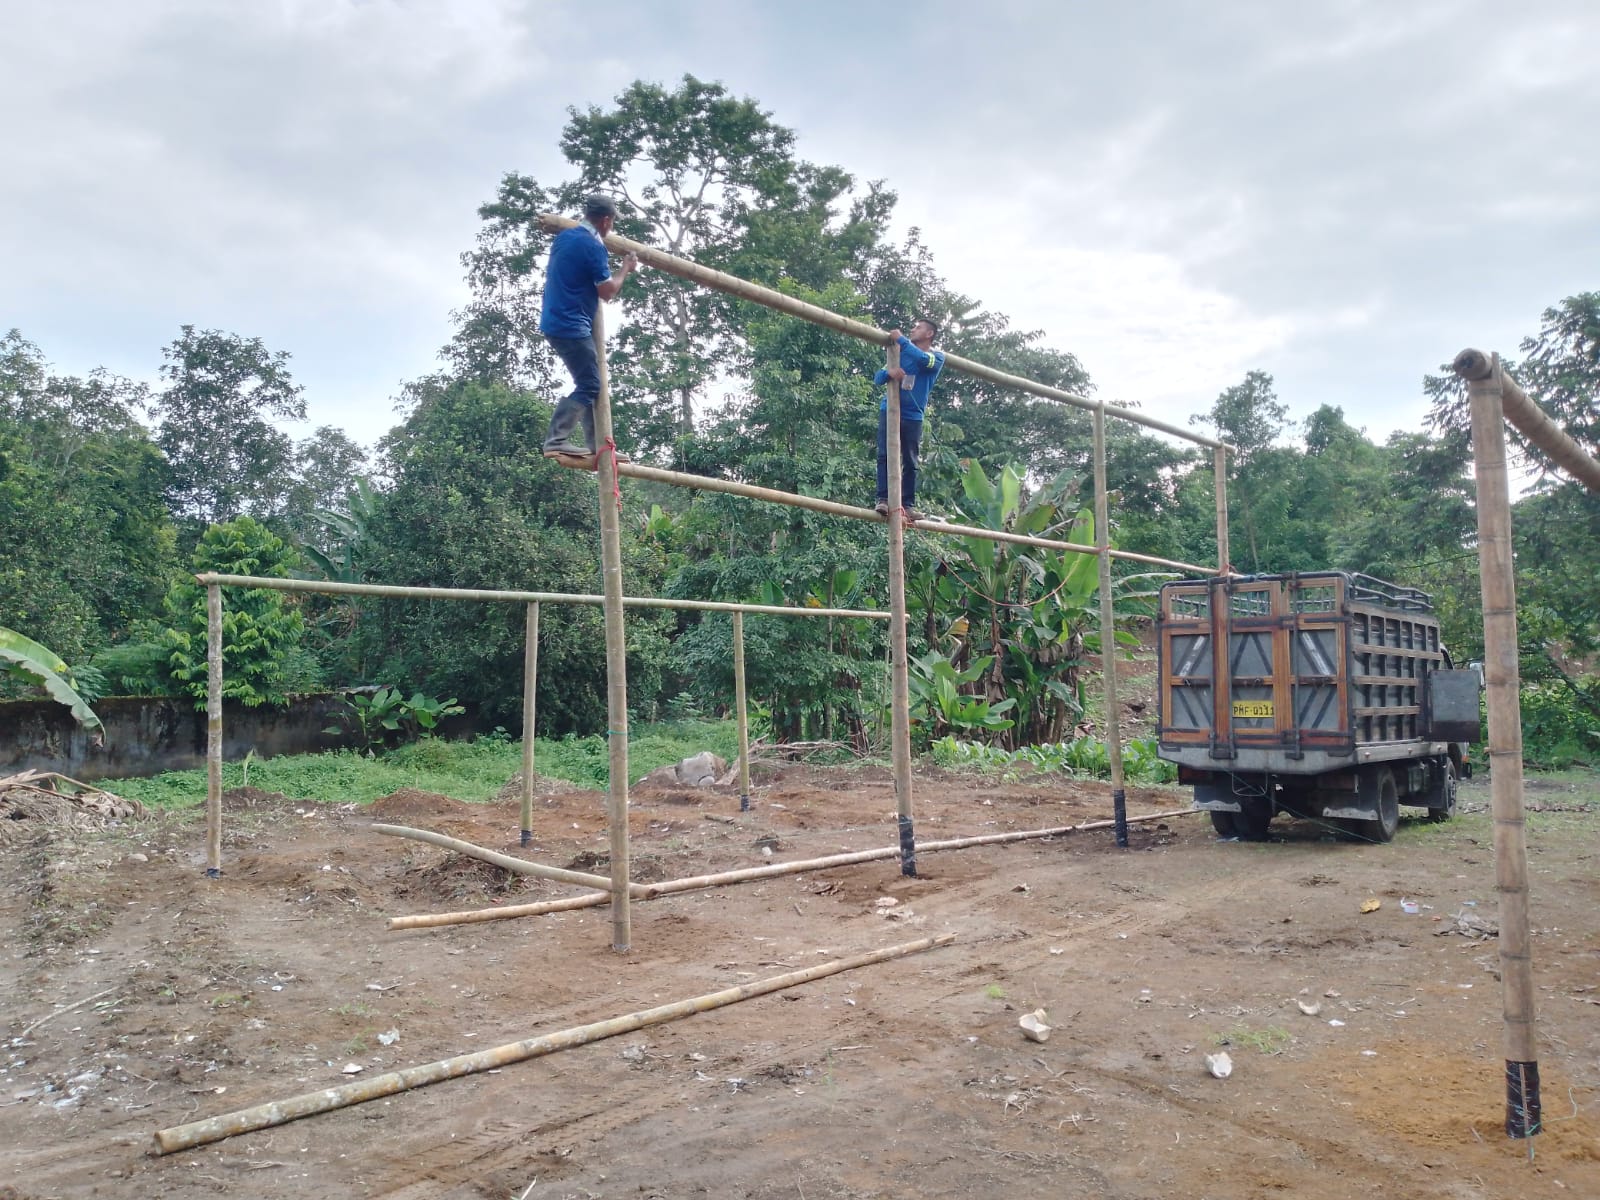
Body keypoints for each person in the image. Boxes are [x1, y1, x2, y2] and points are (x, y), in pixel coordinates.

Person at [540, 194, 640, 462]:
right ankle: (556, 440)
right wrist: (626, 268)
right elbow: (607, 292)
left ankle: (599, 446)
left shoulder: (565, 237)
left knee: (592, 381)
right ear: (606, 220)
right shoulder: (593, 246)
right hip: (570, 325)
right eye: (612, 222)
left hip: (555, 319)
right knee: (590, 383)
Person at [873, 319, 945, 521]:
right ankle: (883, 499)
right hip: (889, 410)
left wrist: (901, 340)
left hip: (913, 415)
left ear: (929, 334)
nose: (913, 329)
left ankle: (908, 505)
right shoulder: (900, 354)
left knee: (911, 461)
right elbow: (878, 378)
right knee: (884, 455)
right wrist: (889, 372)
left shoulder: (936, 357)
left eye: (918, 327)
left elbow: (924, 360)